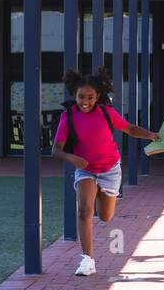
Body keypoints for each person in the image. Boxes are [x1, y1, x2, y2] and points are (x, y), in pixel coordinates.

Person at [49, 66, 158, 277]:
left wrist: (151, 135)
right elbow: (56, 150)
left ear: (98, 96)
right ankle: (87, 260)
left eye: (90, 97)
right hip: (85, 169)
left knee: (106, 216)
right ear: (75, 95)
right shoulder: (68, 117)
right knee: (84, 211)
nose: (85, 101)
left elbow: (130, 128)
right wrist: (72, 158)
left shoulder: (106, 113)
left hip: (109, 170)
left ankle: (100, 194)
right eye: (81, 97)